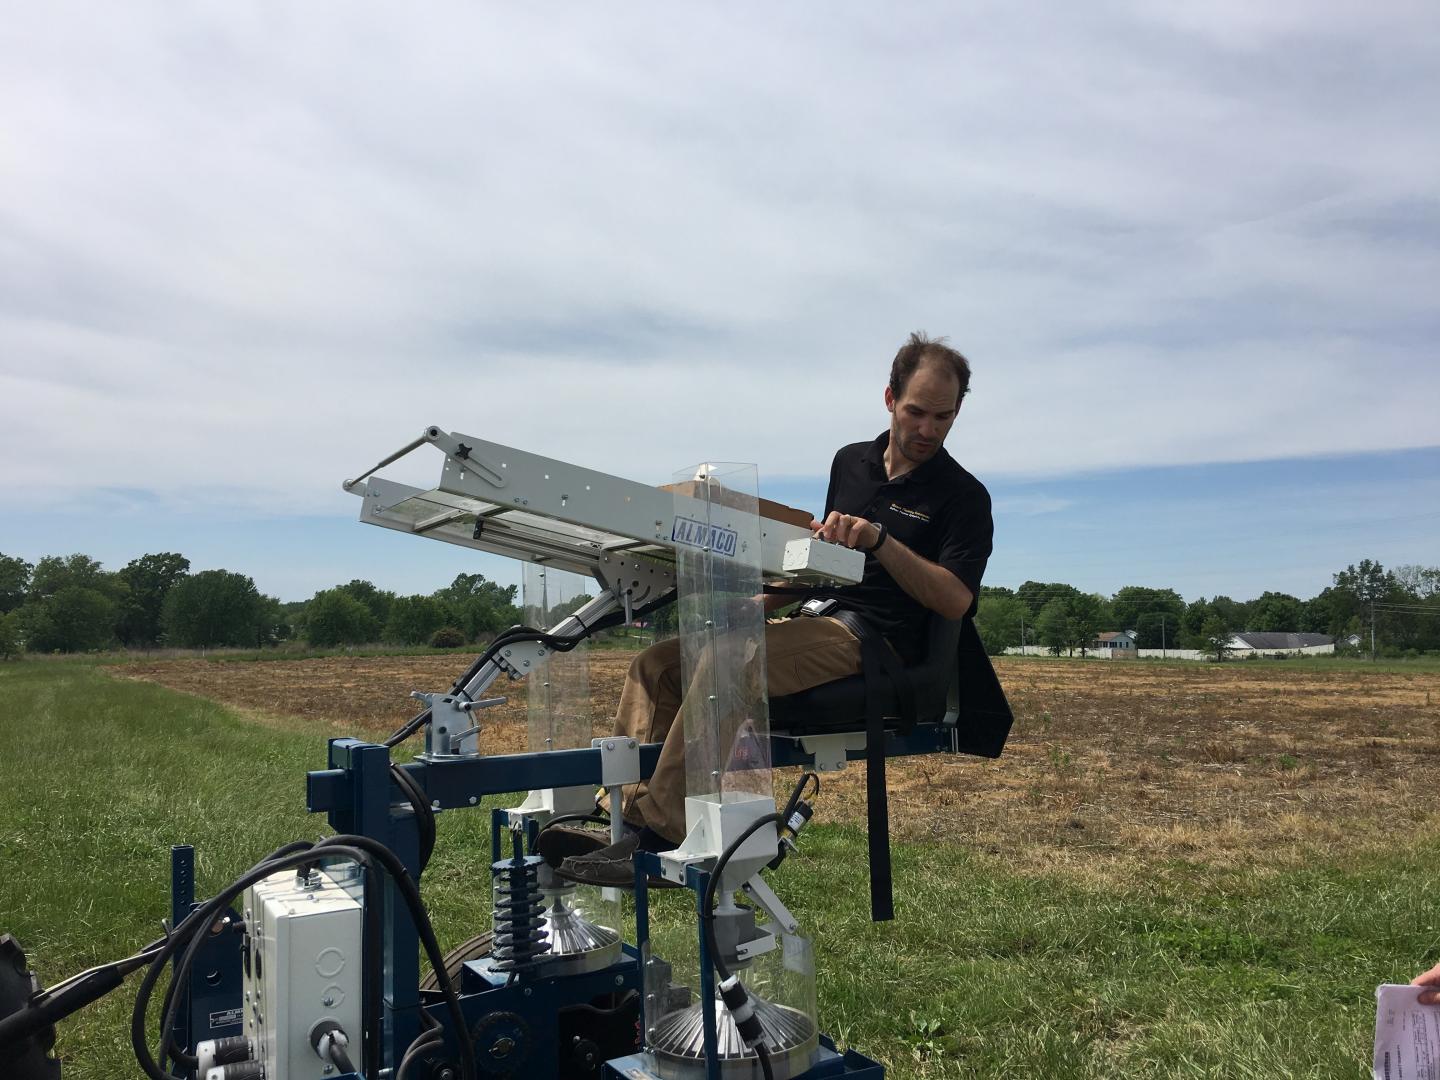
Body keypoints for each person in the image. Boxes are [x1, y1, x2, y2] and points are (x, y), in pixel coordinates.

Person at [555, 331, 994, 886]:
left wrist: (881, 540)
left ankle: (657, 836)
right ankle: (623, 820)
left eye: (944, 417)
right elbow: (828, 562)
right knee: (656, 666)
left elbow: (956, 599)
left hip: (875, 640)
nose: (928, 429)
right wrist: (762, 600)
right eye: (917, 412)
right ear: (889, 399)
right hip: (816, 615)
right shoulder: (851, 462)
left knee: (727, 659)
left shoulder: (963, 496)